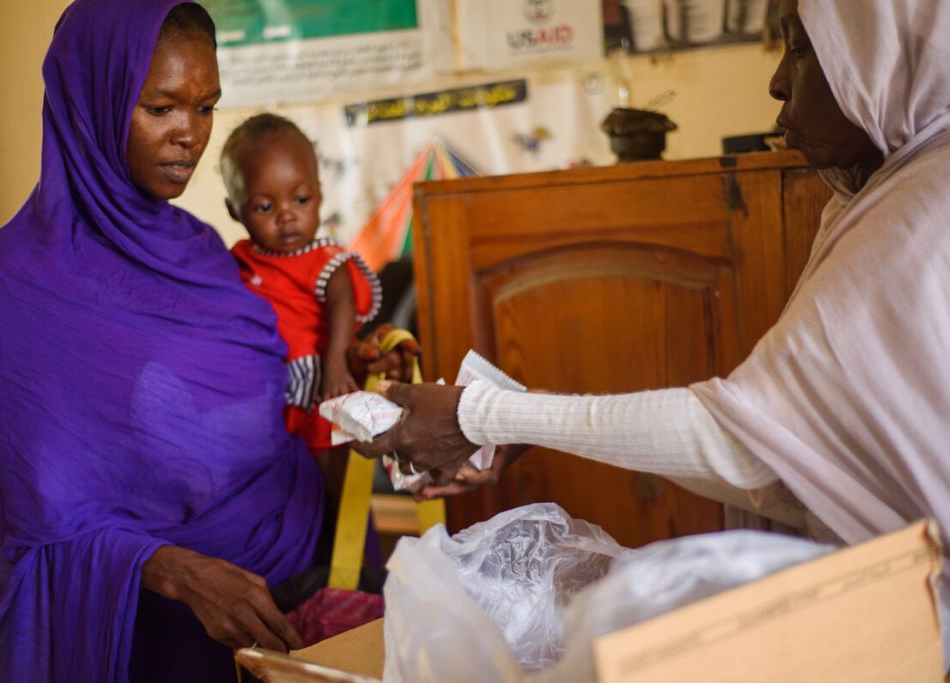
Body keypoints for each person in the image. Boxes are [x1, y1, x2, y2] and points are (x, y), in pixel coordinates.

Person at [355, 0, 950, 662]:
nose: (779, 82)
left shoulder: (922, 212)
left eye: (802, 50)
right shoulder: (890, 192)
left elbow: (744, 443)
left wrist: (484, 412)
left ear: (886, 51)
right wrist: (514, 420)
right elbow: (800, 456)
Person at [0, 2, 415, 681]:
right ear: (95, 99)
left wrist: (352, 371)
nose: (189, 136)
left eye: (205, 108)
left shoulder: (204, 252)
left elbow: (268, 399)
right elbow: (24, 523)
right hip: (160, 630)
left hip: (301, 589)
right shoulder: (22, 281)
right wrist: (173, 569)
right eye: (162, 107)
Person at [222, 113, 382, 456]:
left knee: (328, 468)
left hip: (323, 384)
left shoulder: (325, 259)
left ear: (320, 193)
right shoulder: (240, 261)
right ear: (235, 211)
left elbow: (344, 306)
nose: (286, 215)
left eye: (301, 199)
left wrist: (336, 363)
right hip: (267, 392)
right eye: (265, 206)